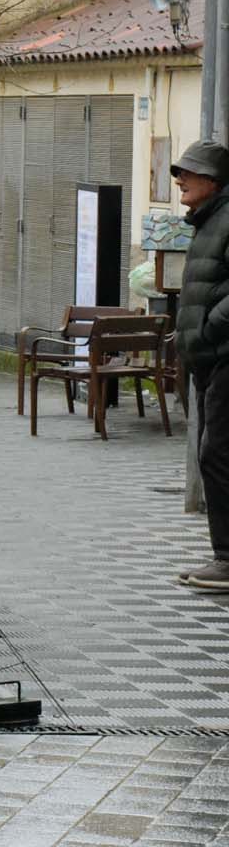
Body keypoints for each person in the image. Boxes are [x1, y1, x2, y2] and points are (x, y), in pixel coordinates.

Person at [175, 140, 229, 593]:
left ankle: (227, 559)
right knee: (211, 452)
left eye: (189, 172)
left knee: (216, 453)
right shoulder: (207, 221)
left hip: (224, 353)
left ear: (213, 180)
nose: (180, 180)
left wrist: (211, 326)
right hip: (206, 358)